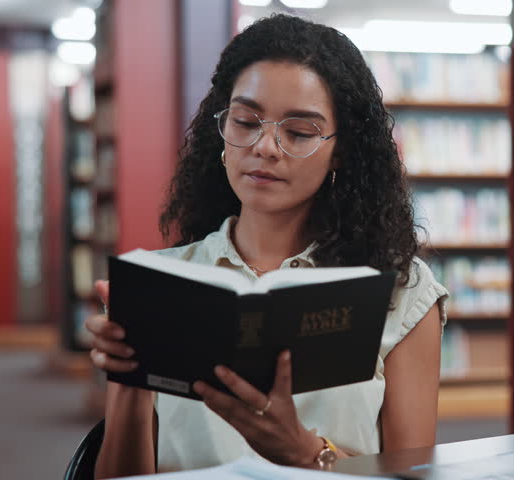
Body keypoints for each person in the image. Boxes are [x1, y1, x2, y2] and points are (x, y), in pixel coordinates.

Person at [86, 14, 448, 478]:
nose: (266, 147)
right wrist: (132, 386)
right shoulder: (160, 282)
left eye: (298, 132)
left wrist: (305, 452)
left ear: (340, 150)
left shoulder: (401, 291)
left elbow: (412, 475)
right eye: (245, 122)